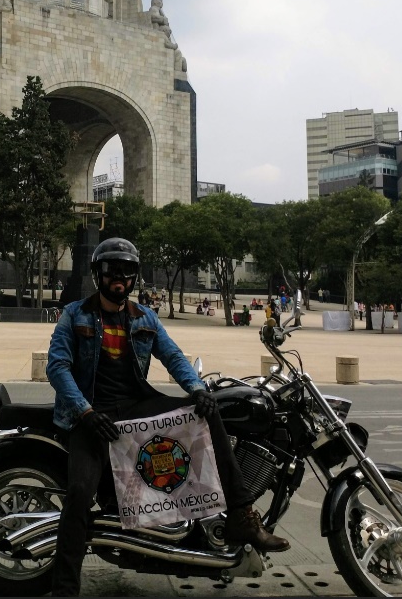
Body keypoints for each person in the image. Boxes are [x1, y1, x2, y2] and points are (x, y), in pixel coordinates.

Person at [46, 238, 289, 596]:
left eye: (127, 272)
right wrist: (84, 412)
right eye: (112, 271)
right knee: (80, 492)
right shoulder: (74, 314)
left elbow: (173, 357)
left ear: (134, 278)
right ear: (98, 275)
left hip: (136, 405)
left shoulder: (145, 317)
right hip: (92, 414)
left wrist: (197, 390)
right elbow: (57, 367)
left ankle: (241, 516)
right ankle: (65, 587)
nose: (120, 279)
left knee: (208, 416)